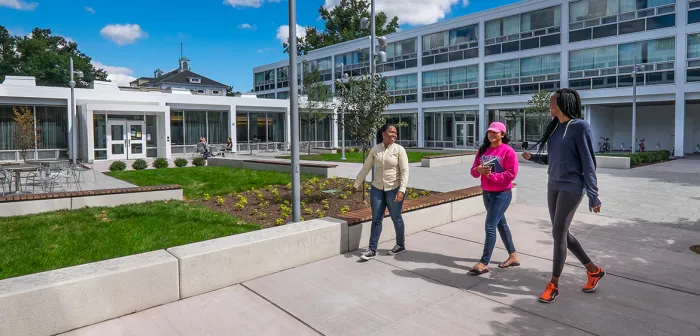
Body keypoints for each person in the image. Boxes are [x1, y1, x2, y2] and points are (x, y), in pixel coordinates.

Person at [522, 88, 605, 304]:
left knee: (558, 234)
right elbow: (555, 158)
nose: (549, 105)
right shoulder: (556, 128)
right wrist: (534, 158)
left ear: (561, 104)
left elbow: (588, 162)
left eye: (552, 102)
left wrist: (593, 195)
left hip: (572, 186)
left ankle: (554, 285)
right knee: (562, 234)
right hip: (554, 184)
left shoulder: (580, 127)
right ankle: (593, 270)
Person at [469, 122, 519, 275]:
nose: (491, 135)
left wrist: (493, 176)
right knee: (500, 224)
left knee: (490, 225)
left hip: (502, 194)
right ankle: (513, 256)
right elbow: (473, 171)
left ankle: (484, 262)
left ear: (502, 134)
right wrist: (478, 170)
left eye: (495, 132)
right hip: (487, 193)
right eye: (489, 132)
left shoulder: (508, 152)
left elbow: (512, 174)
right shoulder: (483, 151)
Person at [353, 123, 409, 261]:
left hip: (394, 189)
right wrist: (356, 184)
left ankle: (400, 245)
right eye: (391, 132)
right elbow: (366, 167)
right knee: (376, 219)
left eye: (395, 132)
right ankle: (372, 250)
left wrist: (402, 190)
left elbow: (404, 171)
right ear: (383, 133)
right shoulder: (375, 149)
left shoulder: (399, 150)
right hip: (377, 189)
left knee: (396, 218)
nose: (394, 135)